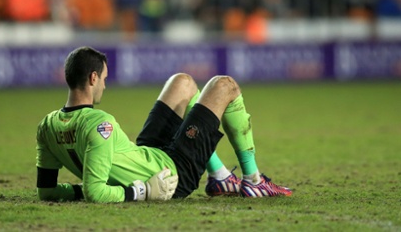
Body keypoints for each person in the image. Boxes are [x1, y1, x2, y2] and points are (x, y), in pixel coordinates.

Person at [36, 46, 292, 203]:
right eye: (103, 78)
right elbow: (96, 193)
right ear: (93, 78)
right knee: (225, 85)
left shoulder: (46, 126)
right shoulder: (100, 123)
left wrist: (92, 188)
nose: (105, 84)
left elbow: (46, 191)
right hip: (170, 175)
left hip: (149, 156)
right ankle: (254, 179)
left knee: (182, 81)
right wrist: (142, 191)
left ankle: (220, 177)